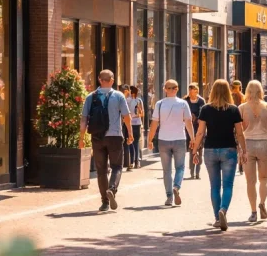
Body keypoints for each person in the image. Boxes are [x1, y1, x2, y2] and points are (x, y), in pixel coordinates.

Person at [192, 79, 247, 232]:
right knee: (228, 185)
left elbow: (201, 132)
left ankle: (217, 217)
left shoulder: (205, 109)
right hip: (229, 150)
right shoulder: (234, 109)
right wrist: (244, 150)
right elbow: (240, 133)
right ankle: (223, 210)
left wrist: (195, 150)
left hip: (210, 150)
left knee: (214, 186)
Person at [79, 70, 134, 212]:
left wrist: (81, 139)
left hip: (97, 137)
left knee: (101, 170)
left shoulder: (91, 97)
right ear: (112, 80)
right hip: (115, 136)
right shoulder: (119, 95)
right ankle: (112, 189)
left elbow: (84, 119)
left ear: (99, 79)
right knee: (116, 166)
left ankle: (104, 202)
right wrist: (130, 133)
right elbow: (127, 117)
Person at [145, 80, 196, 207]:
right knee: (180, 167)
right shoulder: (183, 103)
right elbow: (188, 122)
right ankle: (176, 187)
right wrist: (193, 139)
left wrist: (150, 139)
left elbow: (154, 123)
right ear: (177, 89)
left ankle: (169, 197)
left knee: (166, 170)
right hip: (179, 139)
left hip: (163, 140)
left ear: (164, 89)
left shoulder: (160, 104)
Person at [240, 80, 267, 222]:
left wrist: (239, 148)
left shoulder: (242, 108)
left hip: (248, 144)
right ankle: (262, 203)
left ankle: (253, 212)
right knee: (264, 178)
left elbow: (239, 130)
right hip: (265, 144)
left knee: (250, 181)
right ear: (260, 91)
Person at [184, 84, 205, 179]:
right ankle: (192, 172)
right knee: (191, 150)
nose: (190, 92)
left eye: (192, 90)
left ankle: (198, 172)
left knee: (199, 150)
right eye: (189, 90)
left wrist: (197, 118)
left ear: (196, 91)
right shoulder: (185, 100)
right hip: (189, 129)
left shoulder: (201, 101)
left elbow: (204, 114)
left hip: (199, 128)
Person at [125, 86, 144, 170]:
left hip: (129, 123)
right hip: (138, 123)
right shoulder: (139, 100)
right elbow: (142, 114)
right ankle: (137, 162)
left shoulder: (127, 100)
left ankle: (131, 162)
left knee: (130, 142)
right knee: (136, 142)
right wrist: (138, 114)